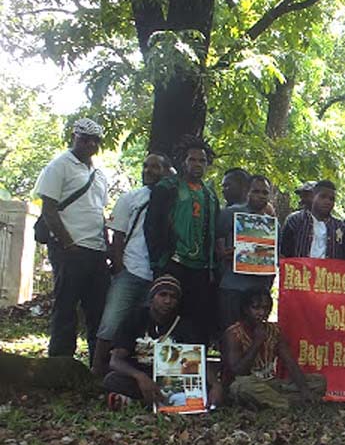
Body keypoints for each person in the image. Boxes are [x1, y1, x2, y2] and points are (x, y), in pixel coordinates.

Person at [34, 118, 110, 363]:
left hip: (96, 250)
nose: (89, 144)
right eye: (84, 138)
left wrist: (106, 247)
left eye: (94, 141)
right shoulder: (59, 165)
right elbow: (49, 209)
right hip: (70, 249)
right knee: (66, 307)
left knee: (97, 309)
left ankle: (97, 366)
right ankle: (60, 363)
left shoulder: (99, 175)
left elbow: (98, 211)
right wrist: (68, 243)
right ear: (74, 137)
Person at [92, 152, 173, 376]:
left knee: (147, 326)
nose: (148, 171)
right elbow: (118, 236)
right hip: (131, 271)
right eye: (146, 166)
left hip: (157, 275)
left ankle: (143, 373)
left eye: (155, 167)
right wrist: (120, 268)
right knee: (111, 322)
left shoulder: (174, 200)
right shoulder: (131, 198)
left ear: (166, 171)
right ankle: (97, 372)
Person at [144, 135, 221, 346]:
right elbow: (152, 226)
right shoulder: (167, 187)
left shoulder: (210, 194)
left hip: (201, 268)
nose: (197, 164)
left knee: (197, 318)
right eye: (192, 160)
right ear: (183, 161)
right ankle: (163, 369)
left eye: (202, 161)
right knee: (167, 314)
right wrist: (159, 260)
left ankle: (195, 371)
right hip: (173, 262)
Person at [103, 276, 223, 409]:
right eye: (162, 295)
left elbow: (199, 362)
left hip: (174, 381)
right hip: (140, 377)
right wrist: (140, 377)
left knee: (204, 388)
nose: (167, 301)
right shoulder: (135, 319)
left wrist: (215, 385)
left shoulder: (187, 326)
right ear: (152, 297)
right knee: (112, 380)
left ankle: (138, 402)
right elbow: (115, 360)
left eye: (173, 297)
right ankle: (147, 401)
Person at [222, 290, 326, 409]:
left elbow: (290, 362)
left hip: (271, 384)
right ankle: (288, 403)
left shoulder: (274, 330)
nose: (261, 313)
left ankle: (270, 401)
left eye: (266, 308)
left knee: (319, 381)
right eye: (255, 308)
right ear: (245, 309)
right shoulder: (234, 333)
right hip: (248, 384)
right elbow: (238, 371)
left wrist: (304, 389)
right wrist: (256, 343)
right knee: (241, 387)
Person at [218, 174, 276, 332]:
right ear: (247, 192)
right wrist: (222, 252)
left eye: (265, 192)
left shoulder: (271, 224)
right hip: (233, 287)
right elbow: (216, 240)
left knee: (252, 338)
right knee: (230, 335)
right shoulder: (230, 214)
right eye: (256, 191)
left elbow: (275, 255)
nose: (260, 196)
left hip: (258, 292)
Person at [279, 180, 345, 259]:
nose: (327, 201)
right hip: (300, 270)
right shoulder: (295, 220)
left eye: (331, 199)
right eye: (323, 197)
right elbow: (284, 253)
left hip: (328, 270)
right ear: (314, 196)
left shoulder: (339, 226)